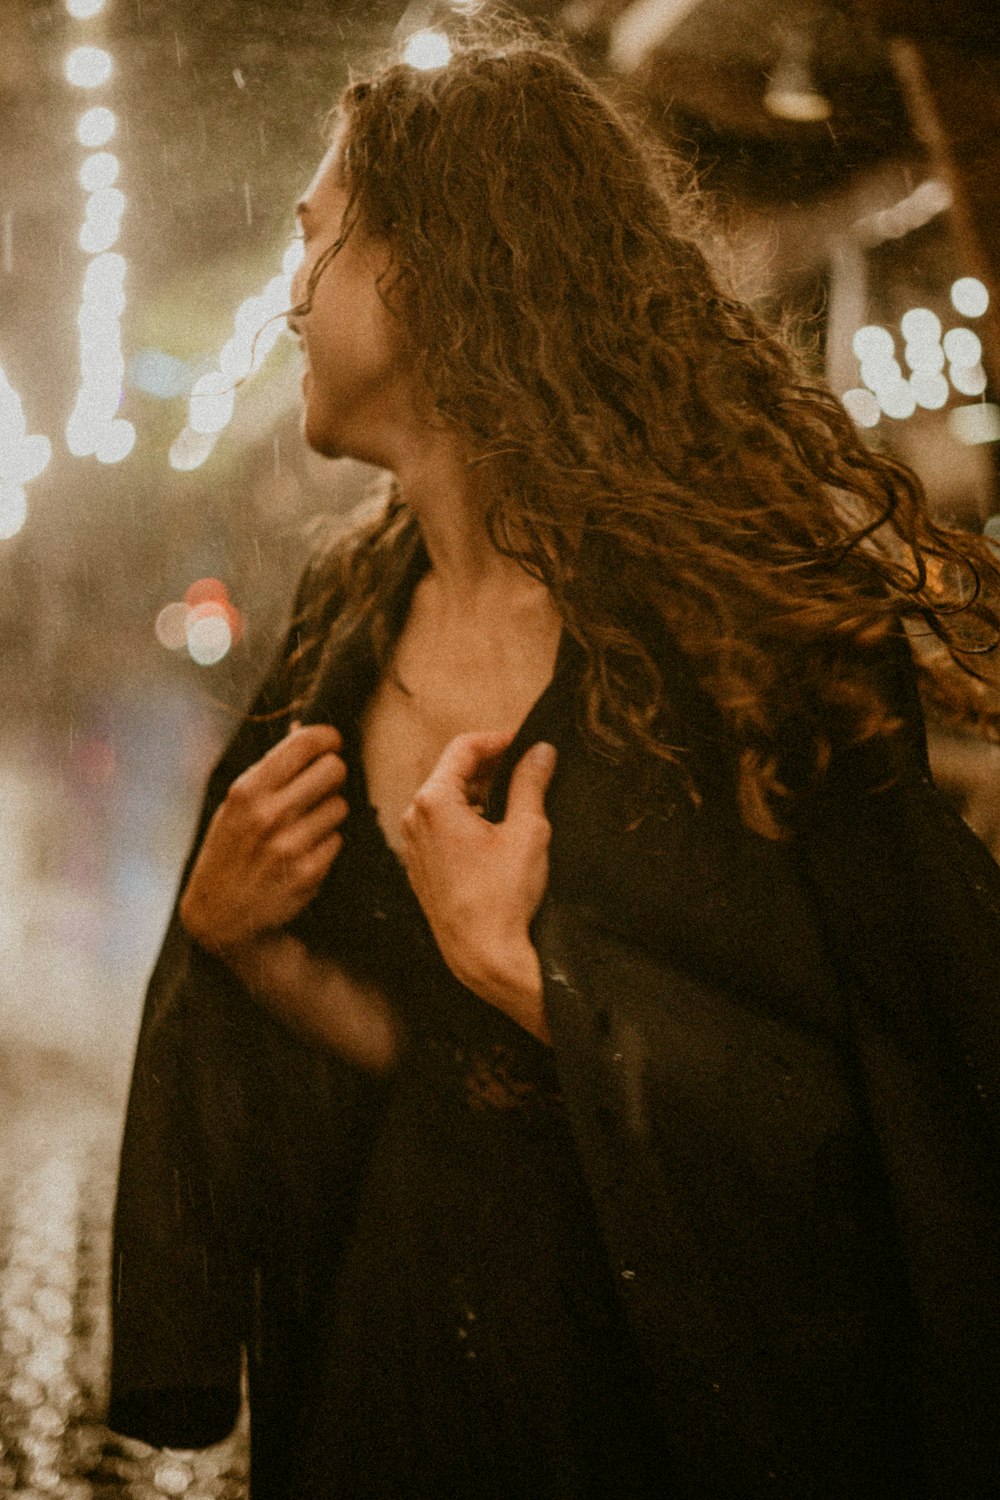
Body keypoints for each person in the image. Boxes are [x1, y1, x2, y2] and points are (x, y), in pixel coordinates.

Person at [106, 22, 1000, 1500]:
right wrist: (249, 957)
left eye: (315, 244)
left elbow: (908, 1102)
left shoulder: (743, 639)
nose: (286, 300)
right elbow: (423, 1074)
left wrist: (537, 974)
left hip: (637, 1416)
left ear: (444, 268)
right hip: (394, 1379)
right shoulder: (343, 616)